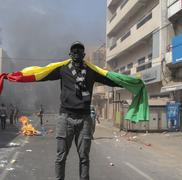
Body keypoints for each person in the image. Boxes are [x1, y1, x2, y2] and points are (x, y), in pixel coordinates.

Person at [37, 41, 122, 180]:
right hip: (65, 118)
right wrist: (20, 76)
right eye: (74, 51)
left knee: (84, 157)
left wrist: (128, 82)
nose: (77, 53)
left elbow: (110, 79)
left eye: (79, 51)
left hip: (84, 119)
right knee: (61, 157)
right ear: (70, 54)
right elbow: (41, 75)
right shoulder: (62, 69)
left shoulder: (91, 72)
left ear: (84, 54)